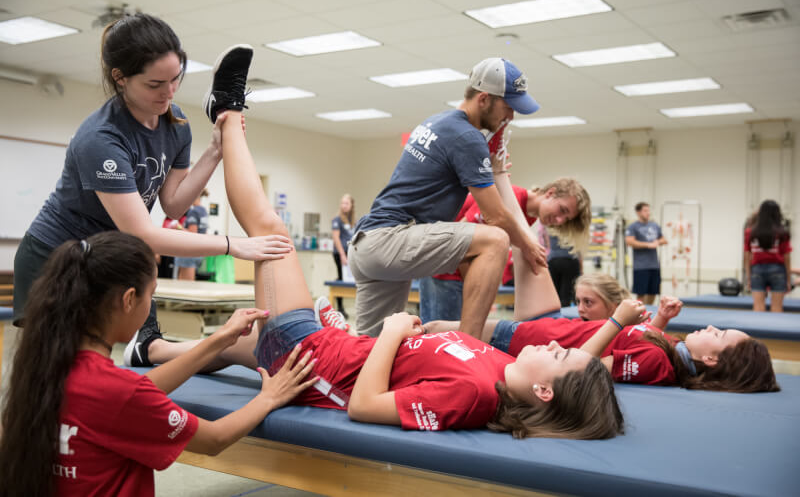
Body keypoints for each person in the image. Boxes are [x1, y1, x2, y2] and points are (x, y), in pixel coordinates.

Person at [140, 84, 625, 440]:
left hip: (303, 355)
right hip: (330, 345)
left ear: (544, 393)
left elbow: (365, 405)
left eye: (558, 357)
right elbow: (432, 358)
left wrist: (392, 333)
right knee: (233, 345)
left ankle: (228, 115)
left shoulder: (476, 397)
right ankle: (152, 351)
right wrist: (423, 332)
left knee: (270, 232)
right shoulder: (501, 365)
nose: (553, 347)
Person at [11, 14, 292, 333]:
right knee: (57, 358)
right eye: (155, 84)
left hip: (103, 254)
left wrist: (215, 150)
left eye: (175, 79)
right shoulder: (101, 138)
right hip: (53, 255)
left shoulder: (176, 124)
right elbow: (142, 234)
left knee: (104, 351)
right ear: (120, 78)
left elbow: (174, 205)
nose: (169, 92)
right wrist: (231, 245)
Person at [0, 231, 317, 497]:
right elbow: (214, 439)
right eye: (151, 294)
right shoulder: (118, 392)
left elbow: (133, 394)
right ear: (128, 300)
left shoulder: (46, 367)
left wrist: (219, 340)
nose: (150, 303)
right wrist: (269, 397)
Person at [349, 57, 551, 338]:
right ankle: (467, 345)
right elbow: (495, 216)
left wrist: (490, 166)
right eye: (508, 107)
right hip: (390, 240)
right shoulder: (467, 137)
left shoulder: (437, 121)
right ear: (484, 99)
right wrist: (528, 245)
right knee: (495, 240)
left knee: (372, 344)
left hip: (366, 244)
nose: (511, 117)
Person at [428, 272, 780, 392]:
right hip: (543, 331)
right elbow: (639, 344)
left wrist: (617, 321)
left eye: (718, 335)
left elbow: (583, 367)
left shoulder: (660, 364)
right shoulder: (675, 352)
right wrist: (659, 320)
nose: (712, 327)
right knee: (436, 330)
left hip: (526, 342)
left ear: (711, 360)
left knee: (434, 330)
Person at [419, 178, 590, 321]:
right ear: (550, 193)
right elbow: (461, 239)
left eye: (566, 219)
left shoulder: (526, 216)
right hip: (445, 270)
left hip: (451, 270)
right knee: (443, 339)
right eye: (562, 210)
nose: (560, 220)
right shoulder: (512, 199)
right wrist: (474, 291)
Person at [745, 200, 793, 312]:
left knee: (758, 308)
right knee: (777, 308)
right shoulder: (782, 233)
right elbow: (786, 257)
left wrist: (748, 277)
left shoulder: (750, 232)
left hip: (757, 270)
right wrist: (788, 278)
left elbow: (747, 256)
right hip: (777, 270)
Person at [625, 202, 667, 304]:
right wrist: (647, 245)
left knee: (653, 292)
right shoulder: (633, 227)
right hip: (641, 266)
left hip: (654, 265)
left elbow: (664, 240)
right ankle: (641, 311)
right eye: (645, 210)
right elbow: (629, 241)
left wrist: (657, 242)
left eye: (648, 210)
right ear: (638, 212)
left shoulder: (654, 225)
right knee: (641, 292)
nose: (648, 213)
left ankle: (649, 309)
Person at [176, 189, 210, 280]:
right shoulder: (203, 211)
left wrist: (179, 228)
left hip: (189, 251)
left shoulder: (193, 211)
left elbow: (192, 234)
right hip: (199, 250)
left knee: (185, 283)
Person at [331, 194, 355, 317]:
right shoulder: (337, 220)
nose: (344, 206)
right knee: (341, 278)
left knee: (351, 278)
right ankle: (340, 307)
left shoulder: (353, 221)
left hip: (350, 253)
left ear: (351, 205)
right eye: (342, 203)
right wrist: (342, 255)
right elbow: (336, 238)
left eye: (346, 203)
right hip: (340, 253)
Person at [547, 234, 583, 307]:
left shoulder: (551, 228)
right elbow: (579, 247)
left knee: (554, 294)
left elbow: (548, 245)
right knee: (566, 294)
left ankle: (557, 311)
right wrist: (581, 267)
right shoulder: (573, 228)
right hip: (570, 259)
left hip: (553, 259)